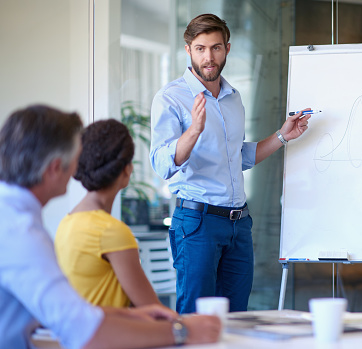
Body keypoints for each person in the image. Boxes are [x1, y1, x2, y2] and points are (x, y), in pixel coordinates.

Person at [0, 105, 220, 348]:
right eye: (75, 158)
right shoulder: (20, 233)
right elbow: (84, 332)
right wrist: (183, 331)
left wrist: (124, 314)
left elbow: (54, 312)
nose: (77, 166)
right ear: (54, 168)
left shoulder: (28, 220)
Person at [150, 13, 311, 314]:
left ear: (227, 48)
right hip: (198, 224)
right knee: (196, 318)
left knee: (237, 318)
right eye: (200, 48)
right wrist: (193, 131)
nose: (208, 57)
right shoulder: (171, 98)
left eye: (215, 48)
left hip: (239, 225)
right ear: (188, 49)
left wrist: (282, 136)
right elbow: (162, 164)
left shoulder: (232, 98)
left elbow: (237, 157)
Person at [55, 119, 168, 309]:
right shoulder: (110, 232)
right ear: (126, 169)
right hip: (111, 336)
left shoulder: (66, 223)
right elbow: (154, 311)